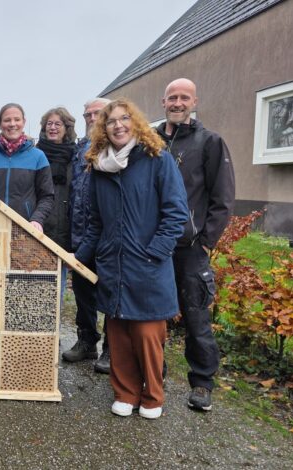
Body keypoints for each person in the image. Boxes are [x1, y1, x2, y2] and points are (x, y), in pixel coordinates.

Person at [76, 99, 188, 419]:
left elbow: (175, 213)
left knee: (147, 334)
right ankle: (125, 392)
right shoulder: (99, 168)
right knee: (119, 333)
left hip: (148, 264)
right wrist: (80, 257)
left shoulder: (157, 160)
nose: (118, 125)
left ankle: (152, 396)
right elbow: (96, 222)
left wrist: (155, 252)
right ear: (103, 129)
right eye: (110, 121)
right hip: (113, 263)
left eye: (124, 119)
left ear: (135, 123)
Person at [156, 78, 235, 412]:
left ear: (194, 102)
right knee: (153, 315)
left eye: (184, 97)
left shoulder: (210, 142)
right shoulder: (152, 141)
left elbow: (223, 198)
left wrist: (206, 243)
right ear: (164, 102)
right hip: (155, 246)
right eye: (172, 97)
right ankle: (153, 372)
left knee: (196, 316)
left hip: (190, 247)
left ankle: (202, 382)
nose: (177, 102)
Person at [65, 98, 112, 373]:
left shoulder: (118, 148)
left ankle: (111, 349)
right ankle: (87, 341)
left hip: (107, 237)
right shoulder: (81, 149)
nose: (92, 118)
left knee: (108, 294)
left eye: (97, 113)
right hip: (81, 233)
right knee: (83, 291)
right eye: (87, 114)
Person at [0, 103, 54, 230]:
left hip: (25, 228)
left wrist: (37, 219)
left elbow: (46, 196)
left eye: (17, 119)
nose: (12, 124)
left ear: (24, 122)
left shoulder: (38, 157)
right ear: (0, 124)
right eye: (7, 120)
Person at [37, 107, 77, 316]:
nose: (52, 128)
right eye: (49, 124)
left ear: (66, 128)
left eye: (57, 124)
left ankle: (53, 334)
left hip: (64, 227)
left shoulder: (75, 157)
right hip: (40, 224)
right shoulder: (35, 154)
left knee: (58, 285)